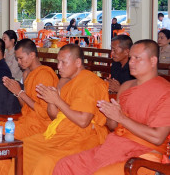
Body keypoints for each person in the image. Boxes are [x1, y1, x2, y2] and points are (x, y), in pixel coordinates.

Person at [53, 40, 170, 175]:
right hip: (116, 146)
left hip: (145, 154)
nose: (131, 62)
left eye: (137, 58)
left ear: (153, 60)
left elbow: (157, 137)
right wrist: (109, 114)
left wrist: (121, 118)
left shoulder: (165, 91)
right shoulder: (125, 87)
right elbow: (114, 126)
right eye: (131, 58)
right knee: (65, 165)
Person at [14, 44, 109, 175]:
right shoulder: (65, 82)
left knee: (46, 160)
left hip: (84, 136)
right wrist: (52, 101)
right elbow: (55, 117)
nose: (58, 66)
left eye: (63, 62)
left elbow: (83, 121)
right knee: (23, 147)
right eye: (58, 62)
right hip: (62, 133)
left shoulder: (90, 82)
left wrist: (57, 100)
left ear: (77, 62)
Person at [0, 38, 59, 175]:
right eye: (17, 59)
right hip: (25, 120)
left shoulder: (44, 74)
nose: (19, 62)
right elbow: (25, 107)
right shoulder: (28, 74)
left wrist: (20, 92)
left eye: (20, 58)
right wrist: (17, 93)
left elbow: (44, 112)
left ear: (32, 55)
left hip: (39, 126)